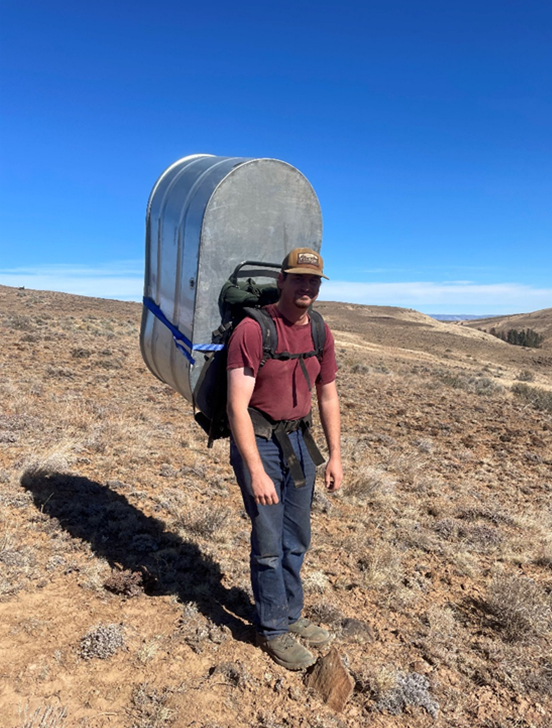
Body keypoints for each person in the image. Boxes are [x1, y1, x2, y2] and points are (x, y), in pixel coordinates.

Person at [226, 247, 343, 670]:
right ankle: (272, 627)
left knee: (298, 538)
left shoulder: (319, 332)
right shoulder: (254, 331)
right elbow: (236, 407)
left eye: (313, 280)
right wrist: (255, 469)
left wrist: (334, 456)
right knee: (269, 542)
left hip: (300, 444)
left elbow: (327, 396)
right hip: (260, 444)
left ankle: (291, 614)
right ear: (282, 280)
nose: (306, 287)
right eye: (298, 279)